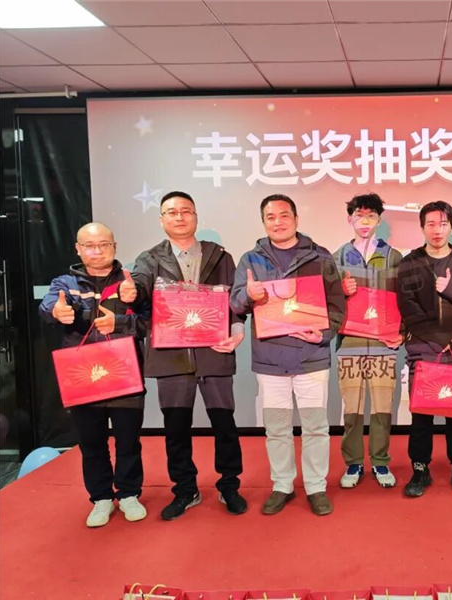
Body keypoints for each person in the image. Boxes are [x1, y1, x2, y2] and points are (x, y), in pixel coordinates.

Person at [132, 191, 247, 520]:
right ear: (162, 220)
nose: (179, 217)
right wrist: (131, 291)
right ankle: (185, 489)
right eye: (172, 212)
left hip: (214, 352)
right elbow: (138, 291)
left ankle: (229, 485)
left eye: (186, 211)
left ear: (196, 217)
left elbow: (235, 301)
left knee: (225, 424)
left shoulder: (220, 257)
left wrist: (237, 329)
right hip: (170, 356)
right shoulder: (149, 259)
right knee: (176, 427)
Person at [230, 194, 346, 516]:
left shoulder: (320, 257)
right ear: (263, 222)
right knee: (277, 429)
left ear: (296, 219)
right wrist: (247, 295)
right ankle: (282, 484)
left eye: (284, 215)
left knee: (315, 428)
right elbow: (235, 304)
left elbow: (337, 304)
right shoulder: (251, 260)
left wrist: (323, 334)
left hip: (311, 357)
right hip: (270, 361)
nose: (278, 222)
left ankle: (316, 486)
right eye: (270, 217)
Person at [40, 223, 147, 527]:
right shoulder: (65, 283)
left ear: (115, 246)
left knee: (128, 441)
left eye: (104, 245)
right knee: (91, 443)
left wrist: (122, 322)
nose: (97, 251)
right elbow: (49, 307)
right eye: (89, 245)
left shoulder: (131, 282)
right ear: (78, 249)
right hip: (82, 376)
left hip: (125, 373)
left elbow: (149, 323)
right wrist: (56, 312)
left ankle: (128, 493)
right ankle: (101, 498)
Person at [397, 200, 452, 498]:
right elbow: (407, 307)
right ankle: (420, 468)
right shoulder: (410, 262)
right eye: (431, 224)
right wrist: (435, 341)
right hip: (423, 349)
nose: (437, 230)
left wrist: (449, 289)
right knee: (421, 415)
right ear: (422, 227)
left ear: (451, 227)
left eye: (443, 224)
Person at [333, 193, 404, 489]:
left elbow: (404, 299)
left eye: (371, 216)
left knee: (382, 409)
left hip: (382, 345)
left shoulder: (393, 256)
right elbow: (324, 300)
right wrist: (340, 290)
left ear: (379, 220)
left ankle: (380, 461)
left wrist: (403, 331)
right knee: (351, 410)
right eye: (359, 216)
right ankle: (353, 463)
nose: (365, 222)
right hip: (349, 343)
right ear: (349, 218)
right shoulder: (337, 257)